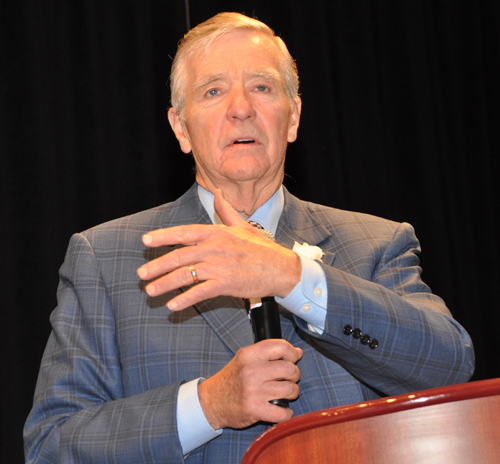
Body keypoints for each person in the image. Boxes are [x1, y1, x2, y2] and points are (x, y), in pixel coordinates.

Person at [24, 12, 475, 464]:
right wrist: (209, 405)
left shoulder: (376, 243)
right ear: (181, 127)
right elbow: (52, 445)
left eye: (261, 87)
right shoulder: (105, 258)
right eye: (213, 91)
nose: (241, 108)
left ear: (293, 117)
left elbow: (448, 369)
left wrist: (293, 277)